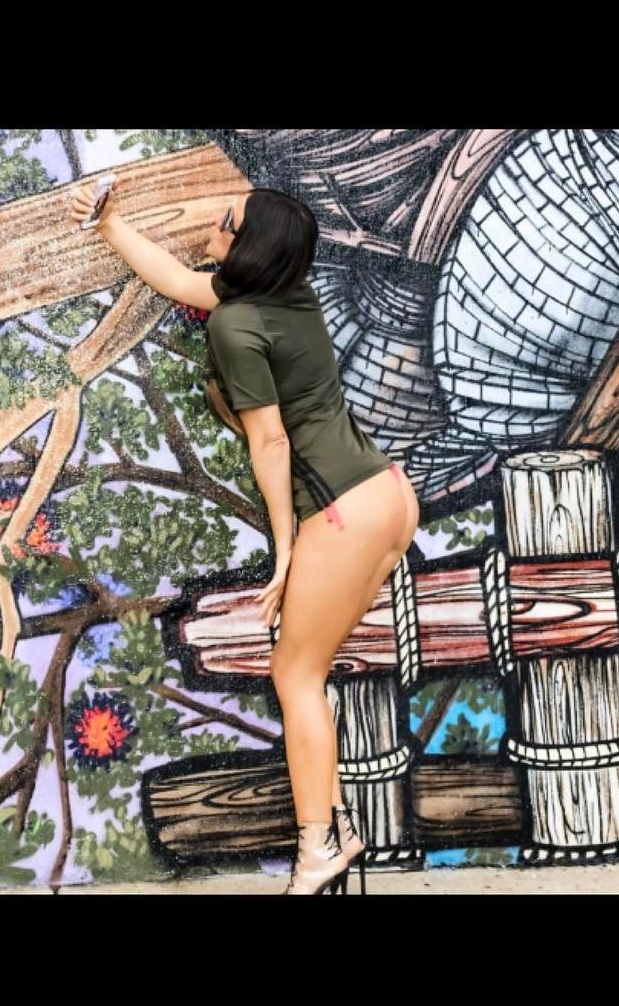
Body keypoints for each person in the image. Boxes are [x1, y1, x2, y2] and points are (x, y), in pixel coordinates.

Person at [69, 180, 419, 894]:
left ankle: (317, 849)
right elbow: (180, 281)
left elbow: (271, 443)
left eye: (226, 221)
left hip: (340, 510)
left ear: (248, 246)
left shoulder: (236, 325)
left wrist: (285, 549)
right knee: (307, 673)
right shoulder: (288, 295)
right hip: (387, 495)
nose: (213, 222)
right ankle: (337, 829)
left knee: (296, 676)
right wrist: (111, 227)